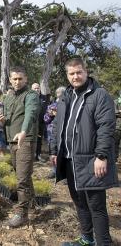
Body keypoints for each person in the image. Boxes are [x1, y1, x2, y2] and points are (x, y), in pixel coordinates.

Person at [49, 58, 118, 246]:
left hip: (91, 160)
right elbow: (57, 125)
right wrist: (55, 150)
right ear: (67, 75)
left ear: (86, 72)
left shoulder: (99, 95)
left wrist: (101, 156)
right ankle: (87, 239)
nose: (75, 76)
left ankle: (103, 242)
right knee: (79, 201)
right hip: (70, 159)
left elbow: (106, 127)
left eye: (79, 72)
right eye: (71, 73)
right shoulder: (66, 96)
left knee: (96, 206)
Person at [0, 66, 40, 227]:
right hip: (12, 141)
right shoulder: (8, 98)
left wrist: (23, 131)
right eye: (14, 79)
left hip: (26, 140)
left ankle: (22, 214)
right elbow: (9, 118)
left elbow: (30, 113)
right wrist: (3, 120)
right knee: (23, 174)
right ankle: (33, 203)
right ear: (10, 80)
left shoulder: (31, 96)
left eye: (20, 78)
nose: (17, 81)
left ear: (26, 79)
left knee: (21, 179)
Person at [44, 86, 66, 179]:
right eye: (58, 94)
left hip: (64, 133)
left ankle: (65, 173)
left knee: (64, 152)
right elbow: (45, 119)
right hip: (51, 132)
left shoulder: (68, 105)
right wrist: (49, 114)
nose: (59, 96)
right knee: (53, 152)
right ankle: (55, 170)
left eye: (61, 94)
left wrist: (59, 115)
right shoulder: (51, 106)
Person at [31, 82, 50, 162]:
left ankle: (38, 155)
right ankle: (31, 155)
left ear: (40, 88)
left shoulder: (44, 98)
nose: (36, 90)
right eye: (34, 88)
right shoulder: (29, 98)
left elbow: (48, 109)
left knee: (39, 139)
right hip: (31, 123)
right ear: (32, 89)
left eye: (37, 88)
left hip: (41, 123)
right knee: (31, 139)